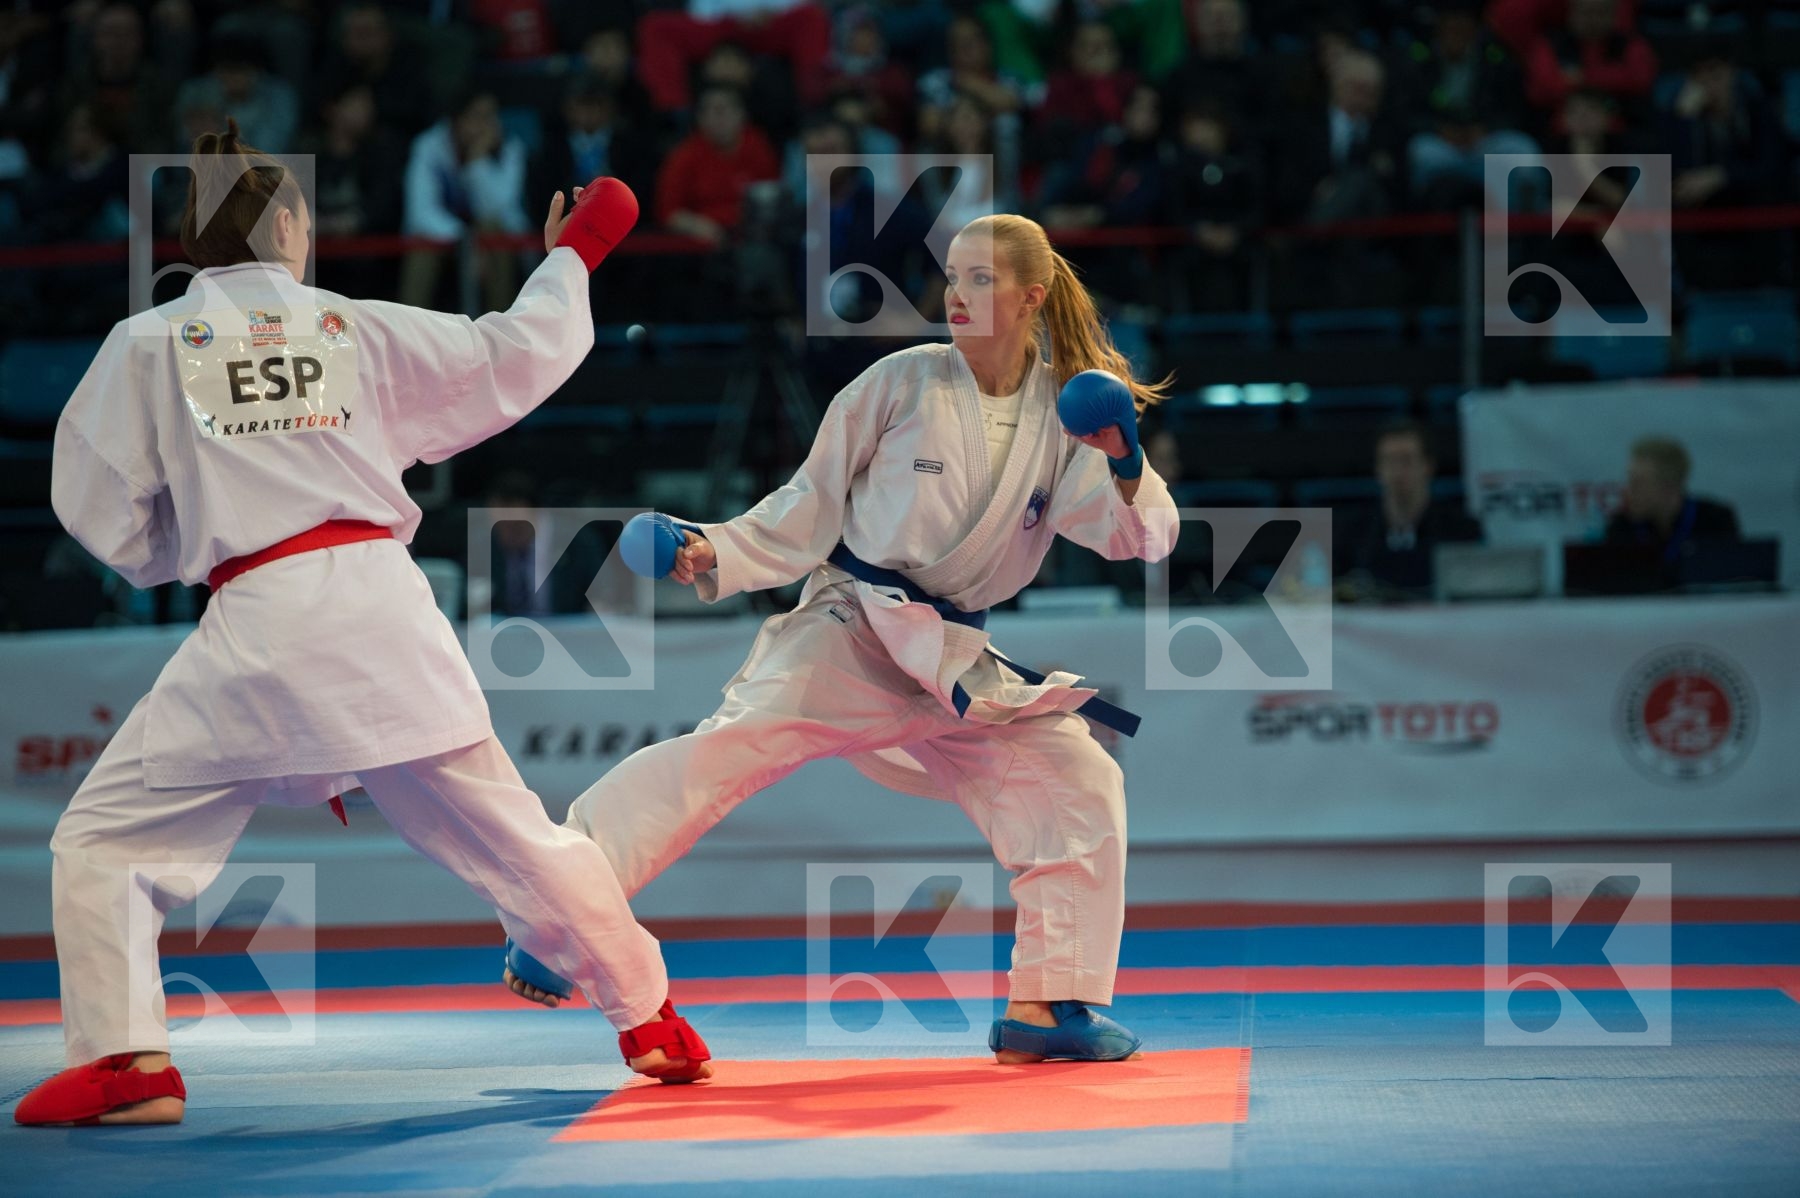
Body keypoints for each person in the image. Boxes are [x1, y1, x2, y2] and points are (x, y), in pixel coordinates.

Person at [14, 123, 711, 1128]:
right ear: (281, 228)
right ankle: (650, 1018)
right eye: (303, 219)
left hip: (256, 616)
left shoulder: (150, 341)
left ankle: (127, 1058)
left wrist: (178, 548)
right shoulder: (349, 326)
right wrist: (572, 258)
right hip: (380, 606)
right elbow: (509, 354)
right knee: (514, 833)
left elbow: (96, 500)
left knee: (106, 841)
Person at [506, 214, 1180, 1065]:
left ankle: (1049, 1004)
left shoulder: (1066, 412)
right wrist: (714, 547)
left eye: (981, 279)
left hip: (953, 658)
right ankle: (557, 917)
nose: (957, 294)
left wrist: (1124, 459)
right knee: (730, 747)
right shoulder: (900, 383)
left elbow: (1142, 540)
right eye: (953, 276)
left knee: (1076, 775)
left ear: (1030, 298)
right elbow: (809, 501)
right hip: (855, 625)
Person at [1336, 421, 1482, 601]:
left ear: (1428, 466)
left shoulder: (1462, 530)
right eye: (1389, 461)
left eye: (1407, 460)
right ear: (1378, 468)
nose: (1397, 471)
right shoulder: (1352, 534)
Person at [1604, 436, 1740, 558]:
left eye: (1638, 483)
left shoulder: (1716, 522)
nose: (1628, 491)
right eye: (1629, 481)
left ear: (1669, 487)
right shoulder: (1621, 527)